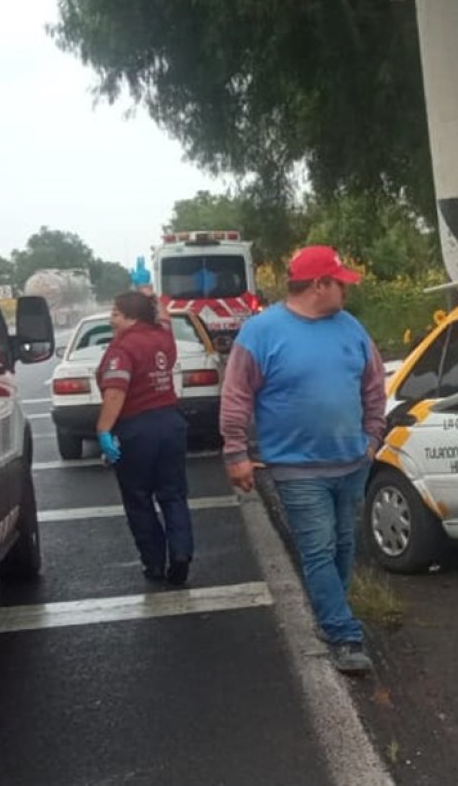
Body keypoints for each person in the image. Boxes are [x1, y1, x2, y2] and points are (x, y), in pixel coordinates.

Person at [221, 245, 386, 675]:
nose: (345, 292)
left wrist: (372, 438)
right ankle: (344, 634)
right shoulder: (261, 332)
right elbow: (236, 393)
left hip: (352, 461)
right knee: (319, 549)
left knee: (345, 547)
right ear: (318, 286)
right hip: (297, 468)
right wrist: (235, 451)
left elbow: (373, 386)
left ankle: (334, 614)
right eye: (340, 284)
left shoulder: (350, 328)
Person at [96, 290, 195, 586]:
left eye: (115, 313)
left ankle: (154, 563)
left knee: (138, 498)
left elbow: (115, 393)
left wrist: (103, 431)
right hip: (171, 423)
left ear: (131, 317)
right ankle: (181, 554)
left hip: (137, 429)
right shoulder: (163, 338)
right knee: (173, 494)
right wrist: (152, 295)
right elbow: (165, 319)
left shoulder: (122, 350)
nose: (111, 319)